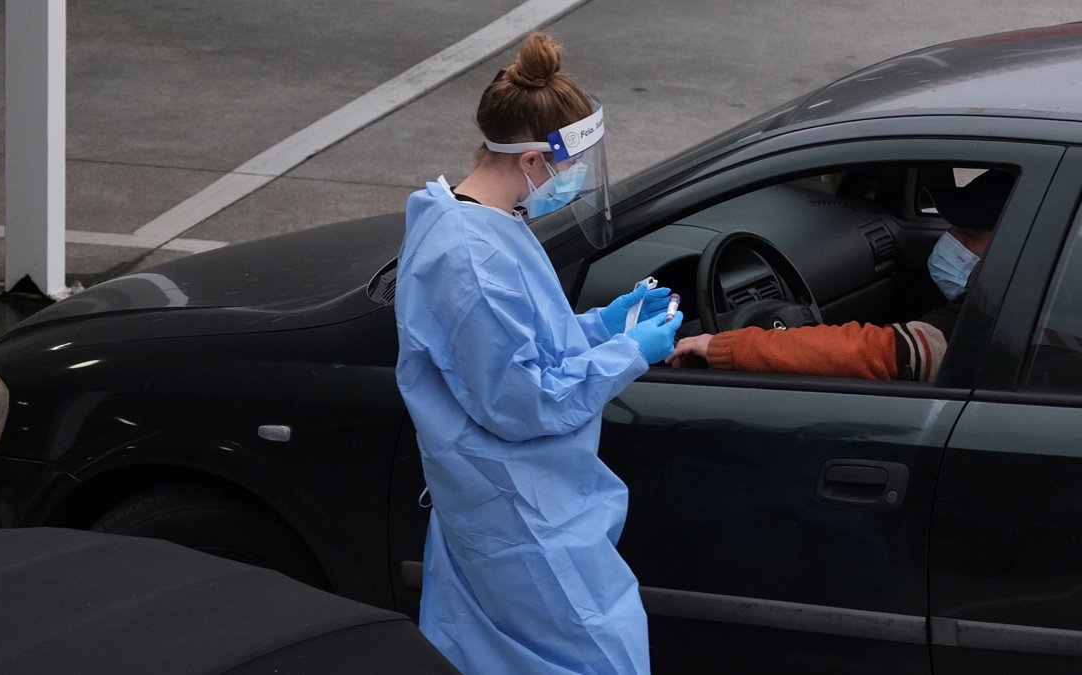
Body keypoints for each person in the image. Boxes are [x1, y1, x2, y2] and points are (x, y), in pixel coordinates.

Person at [394, 33, 682, 675]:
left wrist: (600, 328)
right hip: (519, 512)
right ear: (530, 161)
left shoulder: (475, 226)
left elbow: (520, 344)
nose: (573, 182)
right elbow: (522, 399)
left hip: (508, 505)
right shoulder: (471, 259)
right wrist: (628, 354)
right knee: (605, 657)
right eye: (566, 166)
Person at [667, 169, 1014, 381]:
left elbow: (876, 354)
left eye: (969, 236)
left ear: (1019, 243)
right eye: (952, 229)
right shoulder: (1046, 294)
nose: (950, 243)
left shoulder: (986, 321)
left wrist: (723, 347)